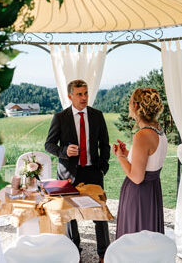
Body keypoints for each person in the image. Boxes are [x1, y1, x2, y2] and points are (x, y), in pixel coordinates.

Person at [45, 79, 110, 263]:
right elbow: (49, 145)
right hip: (69, 174)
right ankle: (75, 252)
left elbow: (104, 144)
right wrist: (63, 151)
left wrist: (103, 167)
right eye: (79, 94)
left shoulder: (97, 115)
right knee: (70, 215)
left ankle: (103, 254)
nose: (84, 97)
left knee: (100, 213)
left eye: (86, 93)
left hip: (93, 172)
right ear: (70, 96)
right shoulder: (60, 117)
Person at [112, 88, 167, 239]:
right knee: (149, 239)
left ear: (135, 106)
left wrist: (120, 157)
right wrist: (127, 154)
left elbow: (137, 177)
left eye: (130, 102)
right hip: (152, 191)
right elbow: (150, 161)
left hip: (139, 196)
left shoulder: (142, 135)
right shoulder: (159, 130)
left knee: (135, 240)